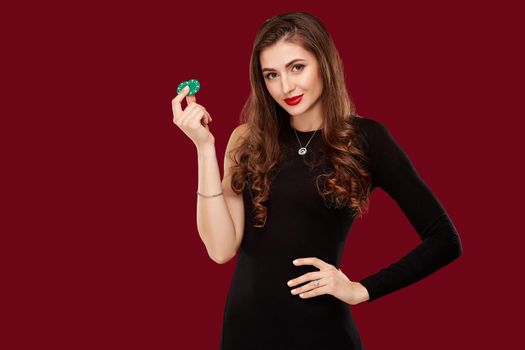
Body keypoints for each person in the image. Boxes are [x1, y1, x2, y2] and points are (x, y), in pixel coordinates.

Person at [172, 11, 462, 350]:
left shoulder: (367, 139)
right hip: (243, 334)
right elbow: (220, 249)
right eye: (272, 74)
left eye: (297, 67)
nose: (286, 87)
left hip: (321, 335)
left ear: (323, 62)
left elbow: (444, 240)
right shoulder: (247, 138)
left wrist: (361, 289)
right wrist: (204, 149)